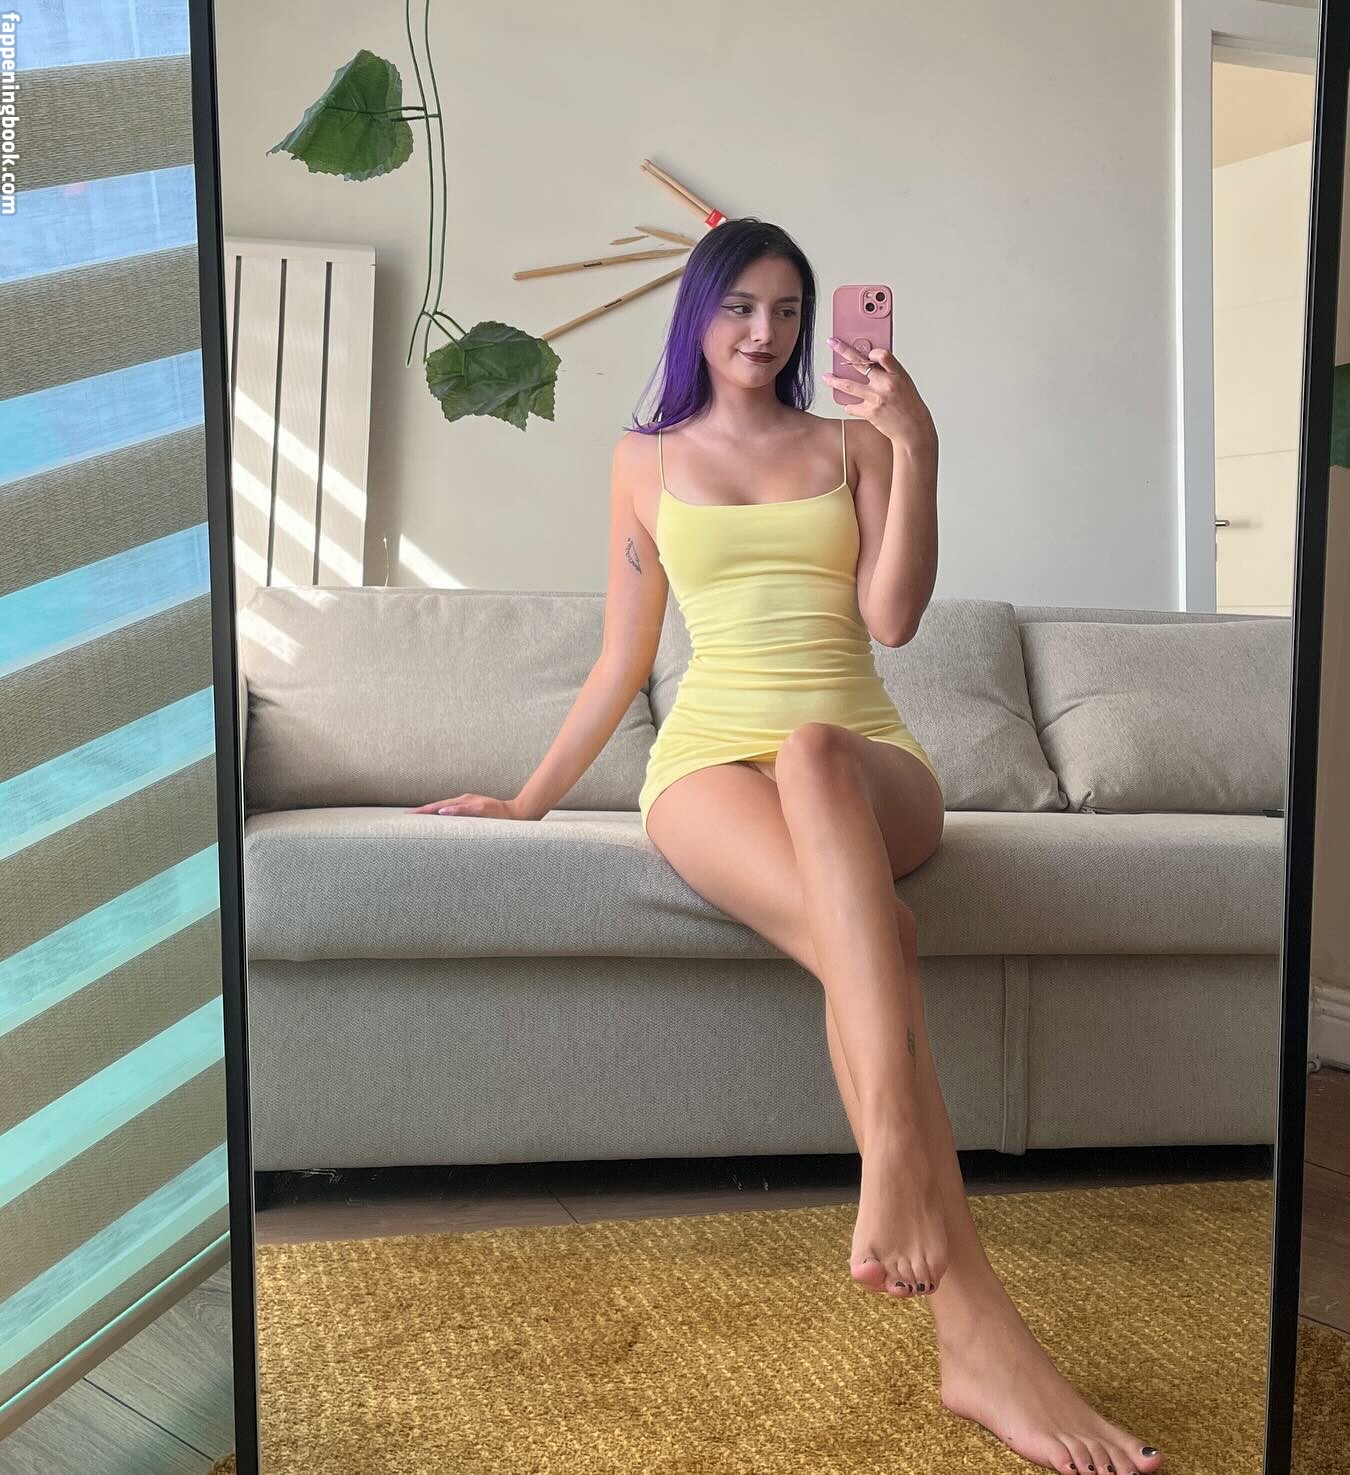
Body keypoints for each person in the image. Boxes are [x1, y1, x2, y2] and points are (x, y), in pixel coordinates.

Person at [410, 218, 1163, 1475]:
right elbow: (623, 656)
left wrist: (919, 446)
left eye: (790, 310)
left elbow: (894, 618)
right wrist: (527, 799)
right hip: (707, 768)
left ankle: (896, 1163)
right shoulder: (644, 459)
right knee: (882, 933)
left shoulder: (853, 441)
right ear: (698, 314)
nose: (766, 332)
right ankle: (976, 1334)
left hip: (864, 758)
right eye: (741, 306)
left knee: (815, 749)